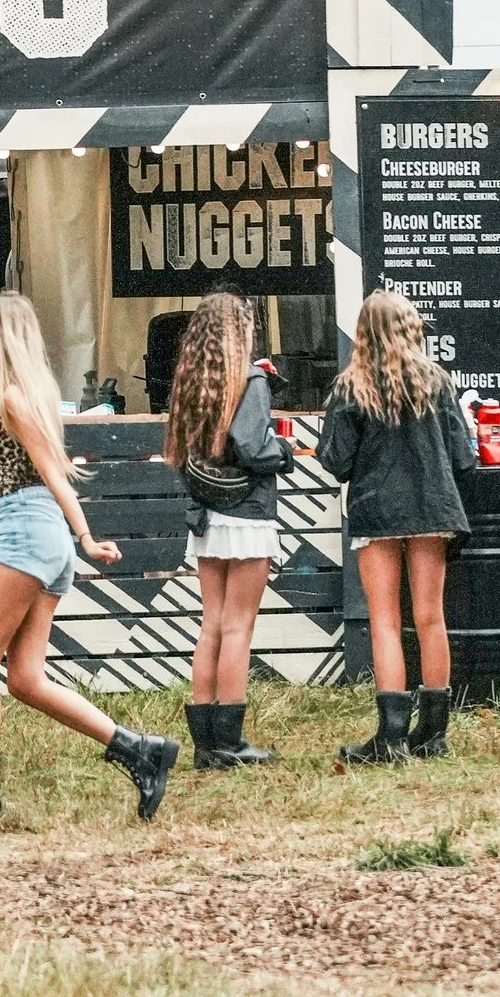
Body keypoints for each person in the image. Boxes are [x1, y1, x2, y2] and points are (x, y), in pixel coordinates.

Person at [0, 291, 179, 826]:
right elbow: (28, 468)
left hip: (27, 536)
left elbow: (52, 470)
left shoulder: (15, 398)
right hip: (39, 537)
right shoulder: (19, 396)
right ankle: (140, 750)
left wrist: (87, 536)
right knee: (25, 679)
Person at [316, 290, 478, 766]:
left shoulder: (351, 386)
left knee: (385, 620)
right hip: (433, 509)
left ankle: (389, 738)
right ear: (412, 328)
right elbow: (463, 458)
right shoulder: (438, 382)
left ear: (363, 332)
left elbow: (336, 461)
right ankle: (433, 734)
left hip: (377, 511)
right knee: (431, 618)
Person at [164, 289, 287, 769]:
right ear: (242, 331)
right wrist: (284, 453)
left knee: (212, 625)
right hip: (248, 514)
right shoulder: (249, 379)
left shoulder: (191, 380)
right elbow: (254, 449)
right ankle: (231, 743)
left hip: (206, 516)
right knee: (239, 628)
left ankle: (204, 743)